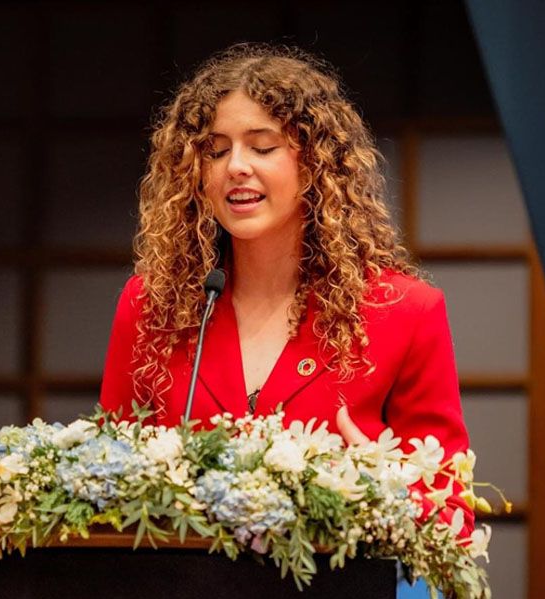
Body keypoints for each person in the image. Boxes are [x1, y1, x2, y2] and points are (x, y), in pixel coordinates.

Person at [99, 43, 473, 538]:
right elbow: (98, 483)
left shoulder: (404, 310)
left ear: (317, 162)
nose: (235, 166)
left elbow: (452, 513)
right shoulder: (151, 305)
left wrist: (388, 491)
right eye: (214, 150)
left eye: (262, 146)